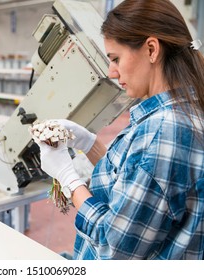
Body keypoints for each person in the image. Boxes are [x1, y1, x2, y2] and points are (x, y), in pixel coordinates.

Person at [35, 0, 204, 259]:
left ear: (151, 49)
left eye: (116, 58)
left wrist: (69, 179)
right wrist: (89, 144)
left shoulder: (163, 130)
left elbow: (112, 248)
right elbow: (140, 179)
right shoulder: (181, 111)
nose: (112, 72)